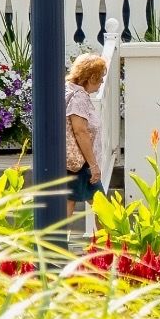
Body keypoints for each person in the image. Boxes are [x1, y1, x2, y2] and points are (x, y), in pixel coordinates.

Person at [64, 53, 107, 217]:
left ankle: (56, 241)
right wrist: (93, 165)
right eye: (101, 77)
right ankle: (105, 242)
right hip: (81, 162)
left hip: (71, 161)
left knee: (69, 204)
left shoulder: (68, 90)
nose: (102, 81)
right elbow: (80, 131)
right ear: (91, 77)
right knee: (104, 209)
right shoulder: (79, 97)